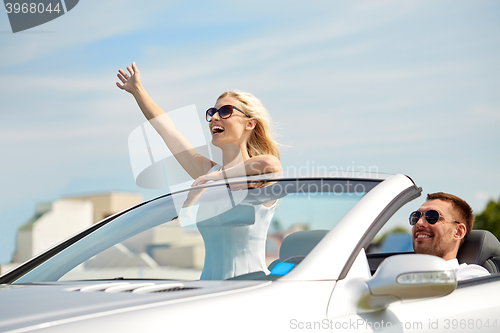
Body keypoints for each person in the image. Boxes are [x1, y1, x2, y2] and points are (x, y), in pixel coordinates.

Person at [116, 63, 282, 279]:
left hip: (250, 290)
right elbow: (167, 130)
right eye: (212, 112)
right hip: (205, 291)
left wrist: (217, 177)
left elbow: (271, 164)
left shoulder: (259, 177)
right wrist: (138, 90)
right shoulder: (208, 174)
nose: (214, 118)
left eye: (225, 111)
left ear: (250, 123)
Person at [410, 192, 490, 281]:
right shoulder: (405, 275)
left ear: (458, 232)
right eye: (415, 217)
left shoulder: (472, 275)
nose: (419, 223)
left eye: (432, 217)